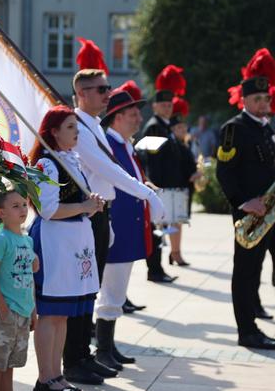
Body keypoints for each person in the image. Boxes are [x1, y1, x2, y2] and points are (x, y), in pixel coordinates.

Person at [68, 67, 165, 385]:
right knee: (86, 292)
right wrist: (147, 193)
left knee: (91, 290)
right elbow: (106, 169)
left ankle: (85, 355)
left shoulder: (92, 124)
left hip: (99, 213)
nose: (107, 93)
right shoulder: (79, 127)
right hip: (88, 213)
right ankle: (78, 358)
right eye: (100, 89)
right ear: (82, 94)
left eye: (107, 87)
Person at [216, 75, 275, 351]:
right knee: (245, 272)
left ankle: (261, 321)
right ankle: (246, 331)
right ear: (244, 100)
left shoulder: (266, 128)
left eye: (266, 99)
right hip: (250, 213)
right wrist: (243, 202)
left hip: (270, 209)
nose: (262, 103)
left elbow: (265, 165)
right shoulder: (234, 129)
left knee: (263, 266)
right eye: (256, 99)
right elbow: (225, 172)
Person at [28, 105, 104, 391]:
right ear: (54, 132)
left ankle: (56, 375)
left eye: (77, 126)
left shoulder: (70, 159)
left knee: (63, 314)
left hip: (73, 243)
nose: (76, 132)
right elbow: (47, 209)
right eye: (71, 126)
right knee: (50, 312)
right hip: (54, 243)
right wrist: (83, 206)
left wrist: (90, 206)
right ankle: (45, 377)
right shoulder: (47, 165)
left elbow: (74, 203)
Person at [95, 85, 152, 370]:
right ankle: (102, 348)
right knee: (111, 292)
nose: (138, 119)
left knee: (117, 291)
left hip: (128, 227)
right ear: (116, 116)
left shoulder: (125, 145)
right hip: (116, 227)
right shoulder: (109, 145)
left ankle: (108, 346)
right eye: (132, 114)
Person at [0, 188, 39, 391]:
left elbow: (29, 280)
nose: (22, 209)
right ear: (1, 212)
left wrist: (33, 311)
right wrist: (3, 309)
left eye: (24, 204)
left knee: (10, 364)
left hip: (24, 313)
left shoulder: (27, 241)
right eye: (15, 206)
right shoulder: (1, 240)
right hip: (5, 312)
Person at [140, 65, 187, 282]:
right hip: (159, 185)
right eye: (164, 105)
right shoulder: (155, 127)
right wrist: (158, 184)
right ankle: (155, 270)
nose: (168, 108)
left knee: (161, 230)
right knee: (156, 231)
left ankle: (158, 269)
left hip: (166, 185)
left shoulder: (165, 126)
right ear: (155, 106)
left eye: (170, 105)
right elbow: (153, 160)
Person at [167, 97, 201, 266]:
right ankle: (175, 253)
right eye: (178, 127)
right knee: (176, 222)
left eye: (183, 127)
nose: (182, 129)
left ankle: (175, 252)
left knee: (179, 222)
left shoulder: (184, 144)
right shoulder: (173, 145)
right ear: (172, 129)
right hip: (178, 188)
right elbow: (175, 168)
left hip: (184, 188)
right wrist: (191, 176)